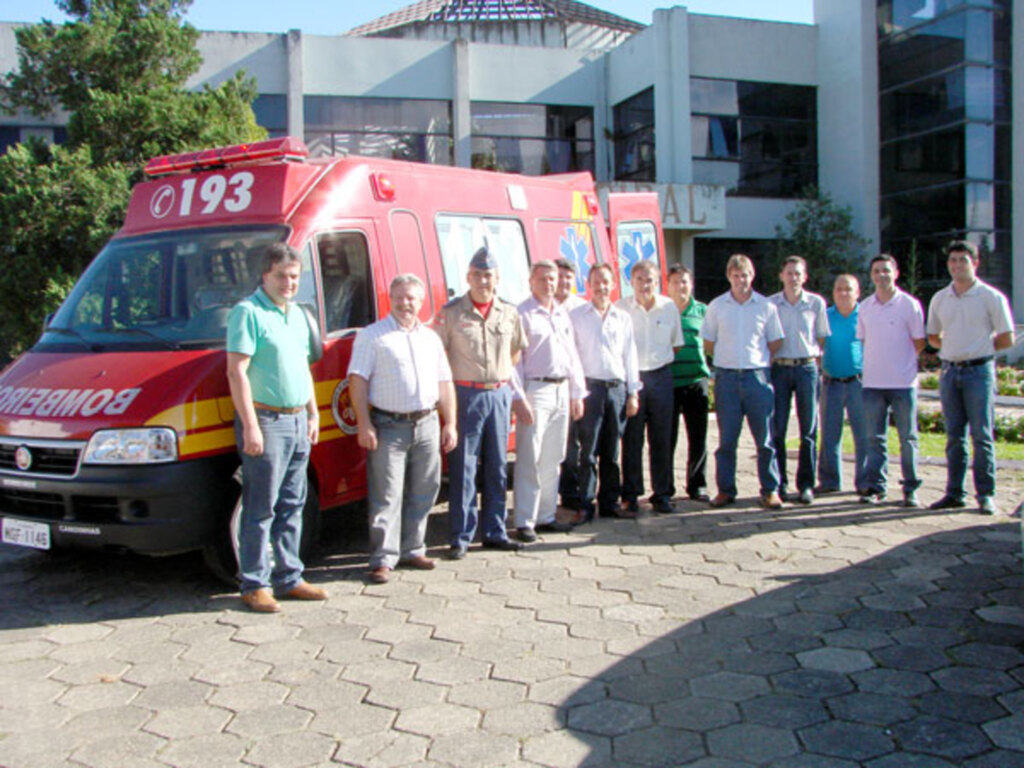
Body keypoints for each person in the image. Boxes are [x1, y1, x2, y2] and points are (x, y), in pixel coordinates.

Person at [226, 243, 326, 613]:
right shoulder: (247, 313)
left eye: (295, 277)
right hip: (266, 421)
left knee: (293, 502)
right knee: (261, 505)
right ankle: (254, 583)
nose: (289, 283)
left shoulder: (298, 314)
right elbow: (236, 371)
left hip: (298, 419)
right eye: (282, 276)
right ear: (265, 274)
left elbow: (303, 367)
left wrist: (313, 414)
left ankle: (289, 577)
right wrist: (251, 426)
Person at [348, 275, 457, 584]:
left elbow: (444, 383)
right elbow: (358, 380)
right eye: (399, 297)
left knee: (425, 489)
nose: (405, 302)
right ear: (389, 298)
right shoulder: (372, 336)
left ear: (421, 302)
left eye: (411, 298)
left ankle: (414, 549)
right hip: (388, 426)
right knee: (387, 494)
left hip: (427, 423)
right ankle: (383, 558)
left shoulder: (430, 338)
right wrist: (364, 423)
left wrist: (450, 422)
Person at [436, 247, 528, 560]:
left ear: (497, 278)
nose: (483, 281)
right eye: (477, 275)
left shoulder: (509, 312)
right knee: (464, 467)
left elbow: (516, 352)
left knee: (497, 467)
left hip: (499, 394)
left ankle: (494, 531)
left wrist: (498, 377)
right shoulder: (452, 313)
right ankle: (461, 536)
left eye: (488, 275)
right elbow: (440, 356)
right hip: (466, 395)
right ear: (468, 277)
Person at [926, 240, 1014, 515]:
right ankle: (954, 492)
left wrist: (979, 350)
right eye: (952, 260)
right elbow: (932, 336)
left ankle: (985, 494)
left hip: (979, 372)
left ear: (975, 263)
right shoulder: (941, 298)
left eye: (962, 260)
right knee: (954, 436)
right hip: (950, 371)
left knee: (982, 435)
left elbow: (1007, 337)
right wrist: (955, 350)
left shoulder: (991, 297)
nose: (956, 265)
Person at [701, 254, 785, 509]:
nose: (741, 280)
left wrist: (755, 362)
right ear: (729, 277)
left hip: (757, 378)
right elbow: (708, 343)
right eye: (736, 276)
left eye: (745, 275)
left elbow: (776, 342)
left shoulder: (766, 307)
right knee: (727, 440)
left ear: (752, 276)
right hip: (726, 378)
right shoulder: (717, 306)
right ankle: (726, 490)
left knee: (765, 440)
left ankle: (770, 489)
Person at [512, 260, 586, 542]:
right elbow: (514, 362)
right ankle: (524, 520)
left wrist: (577, 392)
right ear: (531, 281)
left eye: (553, 279)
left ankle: (546, 516)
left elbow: (572, 356)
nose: (549, 284)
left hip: (561, 390)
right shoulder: (523, 314)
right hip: (536, 390)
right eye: (543, 279)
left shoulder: (562, 314)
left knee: (554, 457)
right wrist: (519, 397)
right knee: (530, 457)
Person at [570, 263, 641, 523]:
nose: (601, 287)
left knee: (612, 452)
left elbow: (630, 356)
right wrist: (576, 392)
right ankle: (585, 505)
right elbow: (573, 357)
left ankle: (609, 503)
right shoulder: (577, 316)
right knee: (588, 452)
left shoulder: (622, 318)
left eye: (606, 282)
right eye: (596, 282)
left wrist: (633, 392)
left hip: (617, 390)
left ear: (613, 285)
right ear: (589, 285)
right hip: (591, 389)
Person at [857, 254, 926, 507]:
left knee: (907, 438)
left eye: (886, 270)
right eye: (876, 271)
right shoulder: (864, 307)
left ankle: (910, 489)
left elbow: (919, 342)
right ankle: (876, 487)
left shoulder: (910, 305)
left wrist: (901, 364)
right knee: (875, 439)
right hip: (873, 383)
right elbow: (864, 341)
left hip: (903, 383)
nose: (881, 275)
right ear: (871, 275)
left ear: (896, 273)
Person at [617, 259, 683, 515]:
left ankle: (662, 493)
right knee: (632, 439)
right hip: (632, 379)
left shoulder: (669, 308)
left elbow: (675, 344)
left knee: (662, 438)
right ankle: (631, 495)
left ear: (658, 282)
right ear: (631, 282)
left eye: (650, 280)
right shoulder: (621, 308)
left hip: (661, 377)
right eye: (640, 280)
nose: (645, 285)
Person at [769, 256, 830, 504]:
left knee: (808, 430)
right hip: (780, 369)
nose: (793, 278)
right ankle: (779, 483)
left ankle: (806, 484)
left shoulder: (815, 303)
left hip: (806, 368)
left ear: (805, 277)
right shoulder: (771, 304)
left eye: (798, 273)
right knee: (779, 429)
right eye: (789, 273)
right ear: (781, 275)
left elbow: (822, 337)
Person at [817, 274, 869, 496]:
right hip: (831, 383)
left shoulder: (866, 315)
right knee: (829, 434)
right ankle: (829, 481)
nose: (843, 293)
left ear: (857, 293)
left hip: (859, 383)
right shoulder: (825, 316)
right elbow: (817, 345)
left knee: (864, 435)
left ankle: (866, 481)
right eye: (839, 289)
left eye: (848, 289)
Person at [666, 265, 710, 503]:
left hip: (696, 382)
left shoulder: (703, 310)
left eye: (684, 282)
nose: (680, 286)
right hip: (669, 383)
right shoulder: (662, 310)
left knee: (698, 438)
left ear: (691, 284)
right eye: (675, 282)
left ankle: (697, 486)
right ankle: (665, 487)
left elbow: (714, 341)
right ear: (668, 285)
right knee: (667, 438)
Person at [555, 257, 588, 519]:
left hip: (576, 386)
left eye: (569, 276)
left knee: (574, 444)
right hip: (550, 385)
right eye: (560, 275)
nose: (564, 281)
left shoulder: (582, 309)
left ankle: (571, 494)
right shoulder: (542, 306)